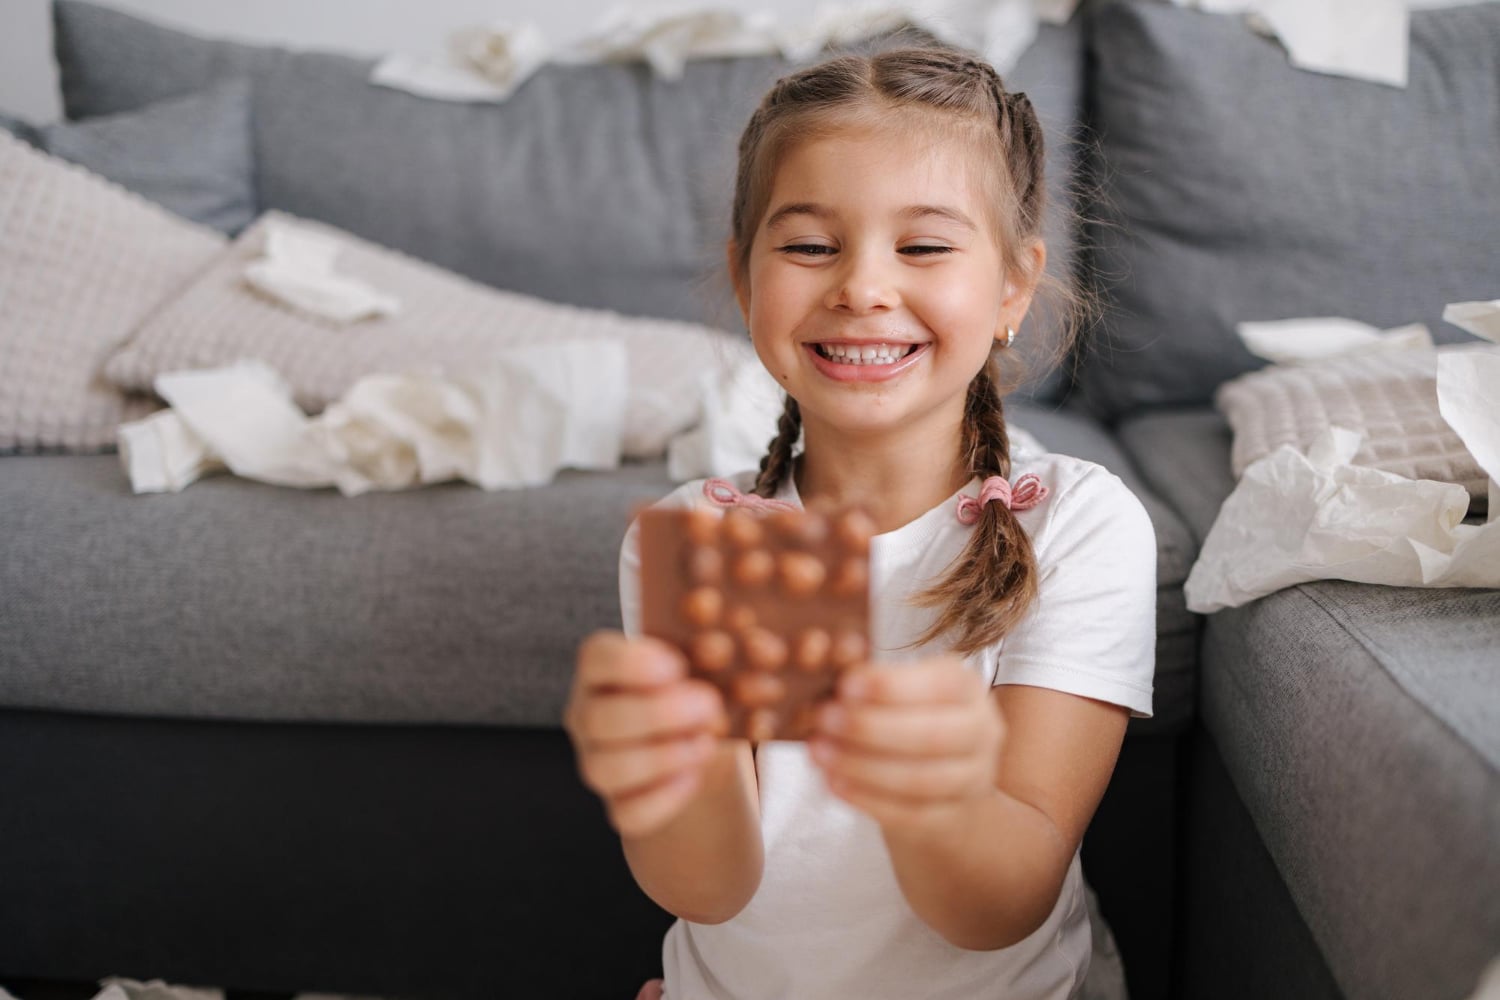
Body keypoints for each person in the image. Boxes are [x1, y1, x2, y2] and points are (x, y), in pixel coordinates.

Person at [564, 43, 1156, 1000]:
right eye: (809, 246)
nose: (862, 288)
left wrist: (926, 788)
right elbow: (706, 890)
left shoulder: (1077, 524)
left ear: (1012, 287)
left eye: (923, 247)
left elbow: (1001, 903)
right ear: (746, 279)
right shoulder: (707, 539)